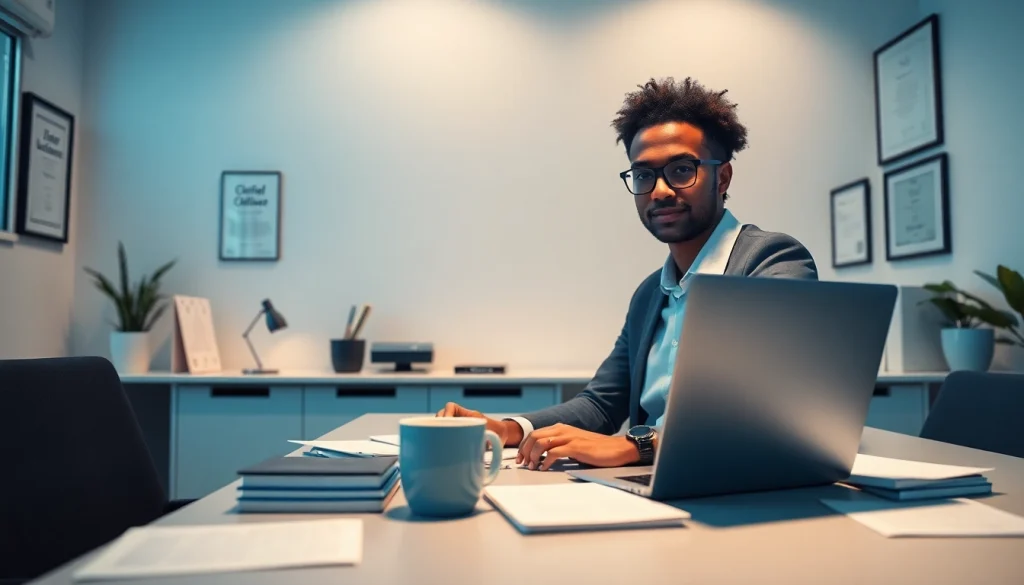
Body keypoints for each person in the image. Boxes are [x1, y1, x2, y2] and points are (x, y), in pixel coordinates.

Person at [438, 77, 817, 471]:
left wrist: (638, 445)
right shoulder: (650, 294)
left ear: (722, 178)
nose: (661, 191)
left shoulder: (772, 260)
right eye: (644, 175)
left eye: (682, 169)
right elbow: (601, 404)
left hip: (735, 483)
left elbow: (769, 401)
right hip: (652, 482)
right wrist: (505, 429)